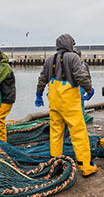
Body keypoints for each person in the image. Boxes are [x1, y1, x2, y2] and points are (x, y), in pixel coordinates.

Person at [35, 34, 97, 177]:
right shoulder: (74, 57)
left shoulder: (49, 59)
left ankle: (56, 163)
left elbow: (42, 78)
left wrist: (39, 94)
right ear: (70, 44)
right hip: (69, 100)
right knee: (78, 133)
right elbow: (81, 76)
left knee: (56, 132)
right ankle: (86, 166)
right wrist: (89, 89)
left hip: (54, 99)